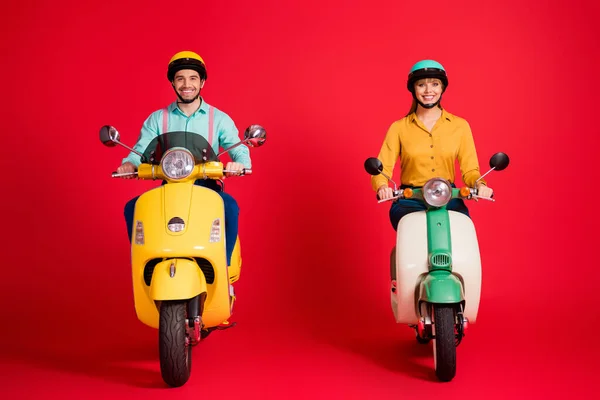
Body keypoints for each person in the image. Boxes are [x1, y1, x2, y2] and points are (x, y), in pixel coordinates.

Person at [116, 50, 251, 266]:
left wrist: (239, 163)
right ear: (172, 82)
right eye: (180, 78)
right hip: (170, 186)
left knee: (230, 208)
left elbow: (239, 149)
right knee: (134, 207)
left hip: (206, 187)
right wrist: (129, 164)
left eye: (193, 78)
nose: (186, 84)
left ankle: (222, 267)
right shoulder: (158, 119)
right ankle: (145, 266)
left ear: (202, 82)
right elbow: (140, 151)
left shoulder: (218, 119)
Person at [371, 59, 494, 231]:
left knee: (463, 231)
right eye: (421, 85)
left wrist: (480, 185)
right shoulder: (398, 128)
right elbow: (382, 168)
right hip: (411, 199)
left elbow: (470, 170)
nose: (429, 90)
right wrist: (383, 187)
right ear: (414, 89)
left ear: (442, 88)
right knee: (411, 232)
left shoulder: (459, 126)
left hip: (448, 197)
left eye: (435, 84)